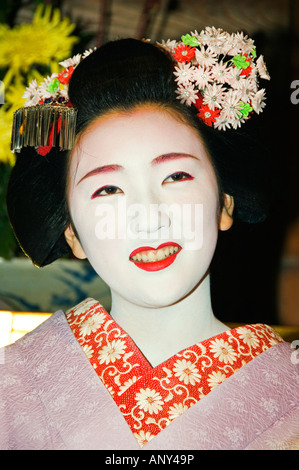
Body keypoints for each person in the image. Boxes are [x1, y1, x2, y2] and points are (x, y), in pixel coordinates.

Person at [1, 28, 298, 450]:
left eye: (176, 176)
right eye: (108, 190)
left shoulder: (290, 392)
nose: (149, 219)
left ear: (225, 203)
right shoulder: (15, 382)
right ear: (72, 233)